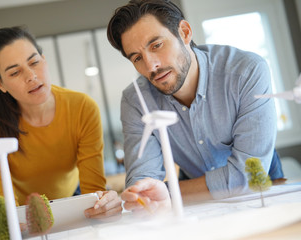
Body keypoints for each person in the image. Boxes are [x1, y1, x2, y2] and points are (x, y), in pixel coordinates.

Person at [106, 0, 284, 209]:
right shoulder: (135, 101)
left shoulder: (246, 72)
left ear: (184, 32)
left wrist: (166, 195)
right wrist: (142, 194)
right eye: (137, 58)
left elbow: (245, 176)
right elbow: (142, 185)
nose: (151, 65)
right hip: (193, 192)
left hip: (261, 183)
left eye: (156, 45)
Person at [0, 26, 122, 239]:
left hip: (73, 200)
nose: (31, 76)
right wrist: (2, 220)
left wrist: (105, 205)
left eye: (34, 62)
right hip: (23, 214)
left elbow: (93, 193)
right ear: (0, 84)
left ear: (44, 60)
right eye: (15, 72)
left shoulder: (83, 107)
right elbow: (1, 198)